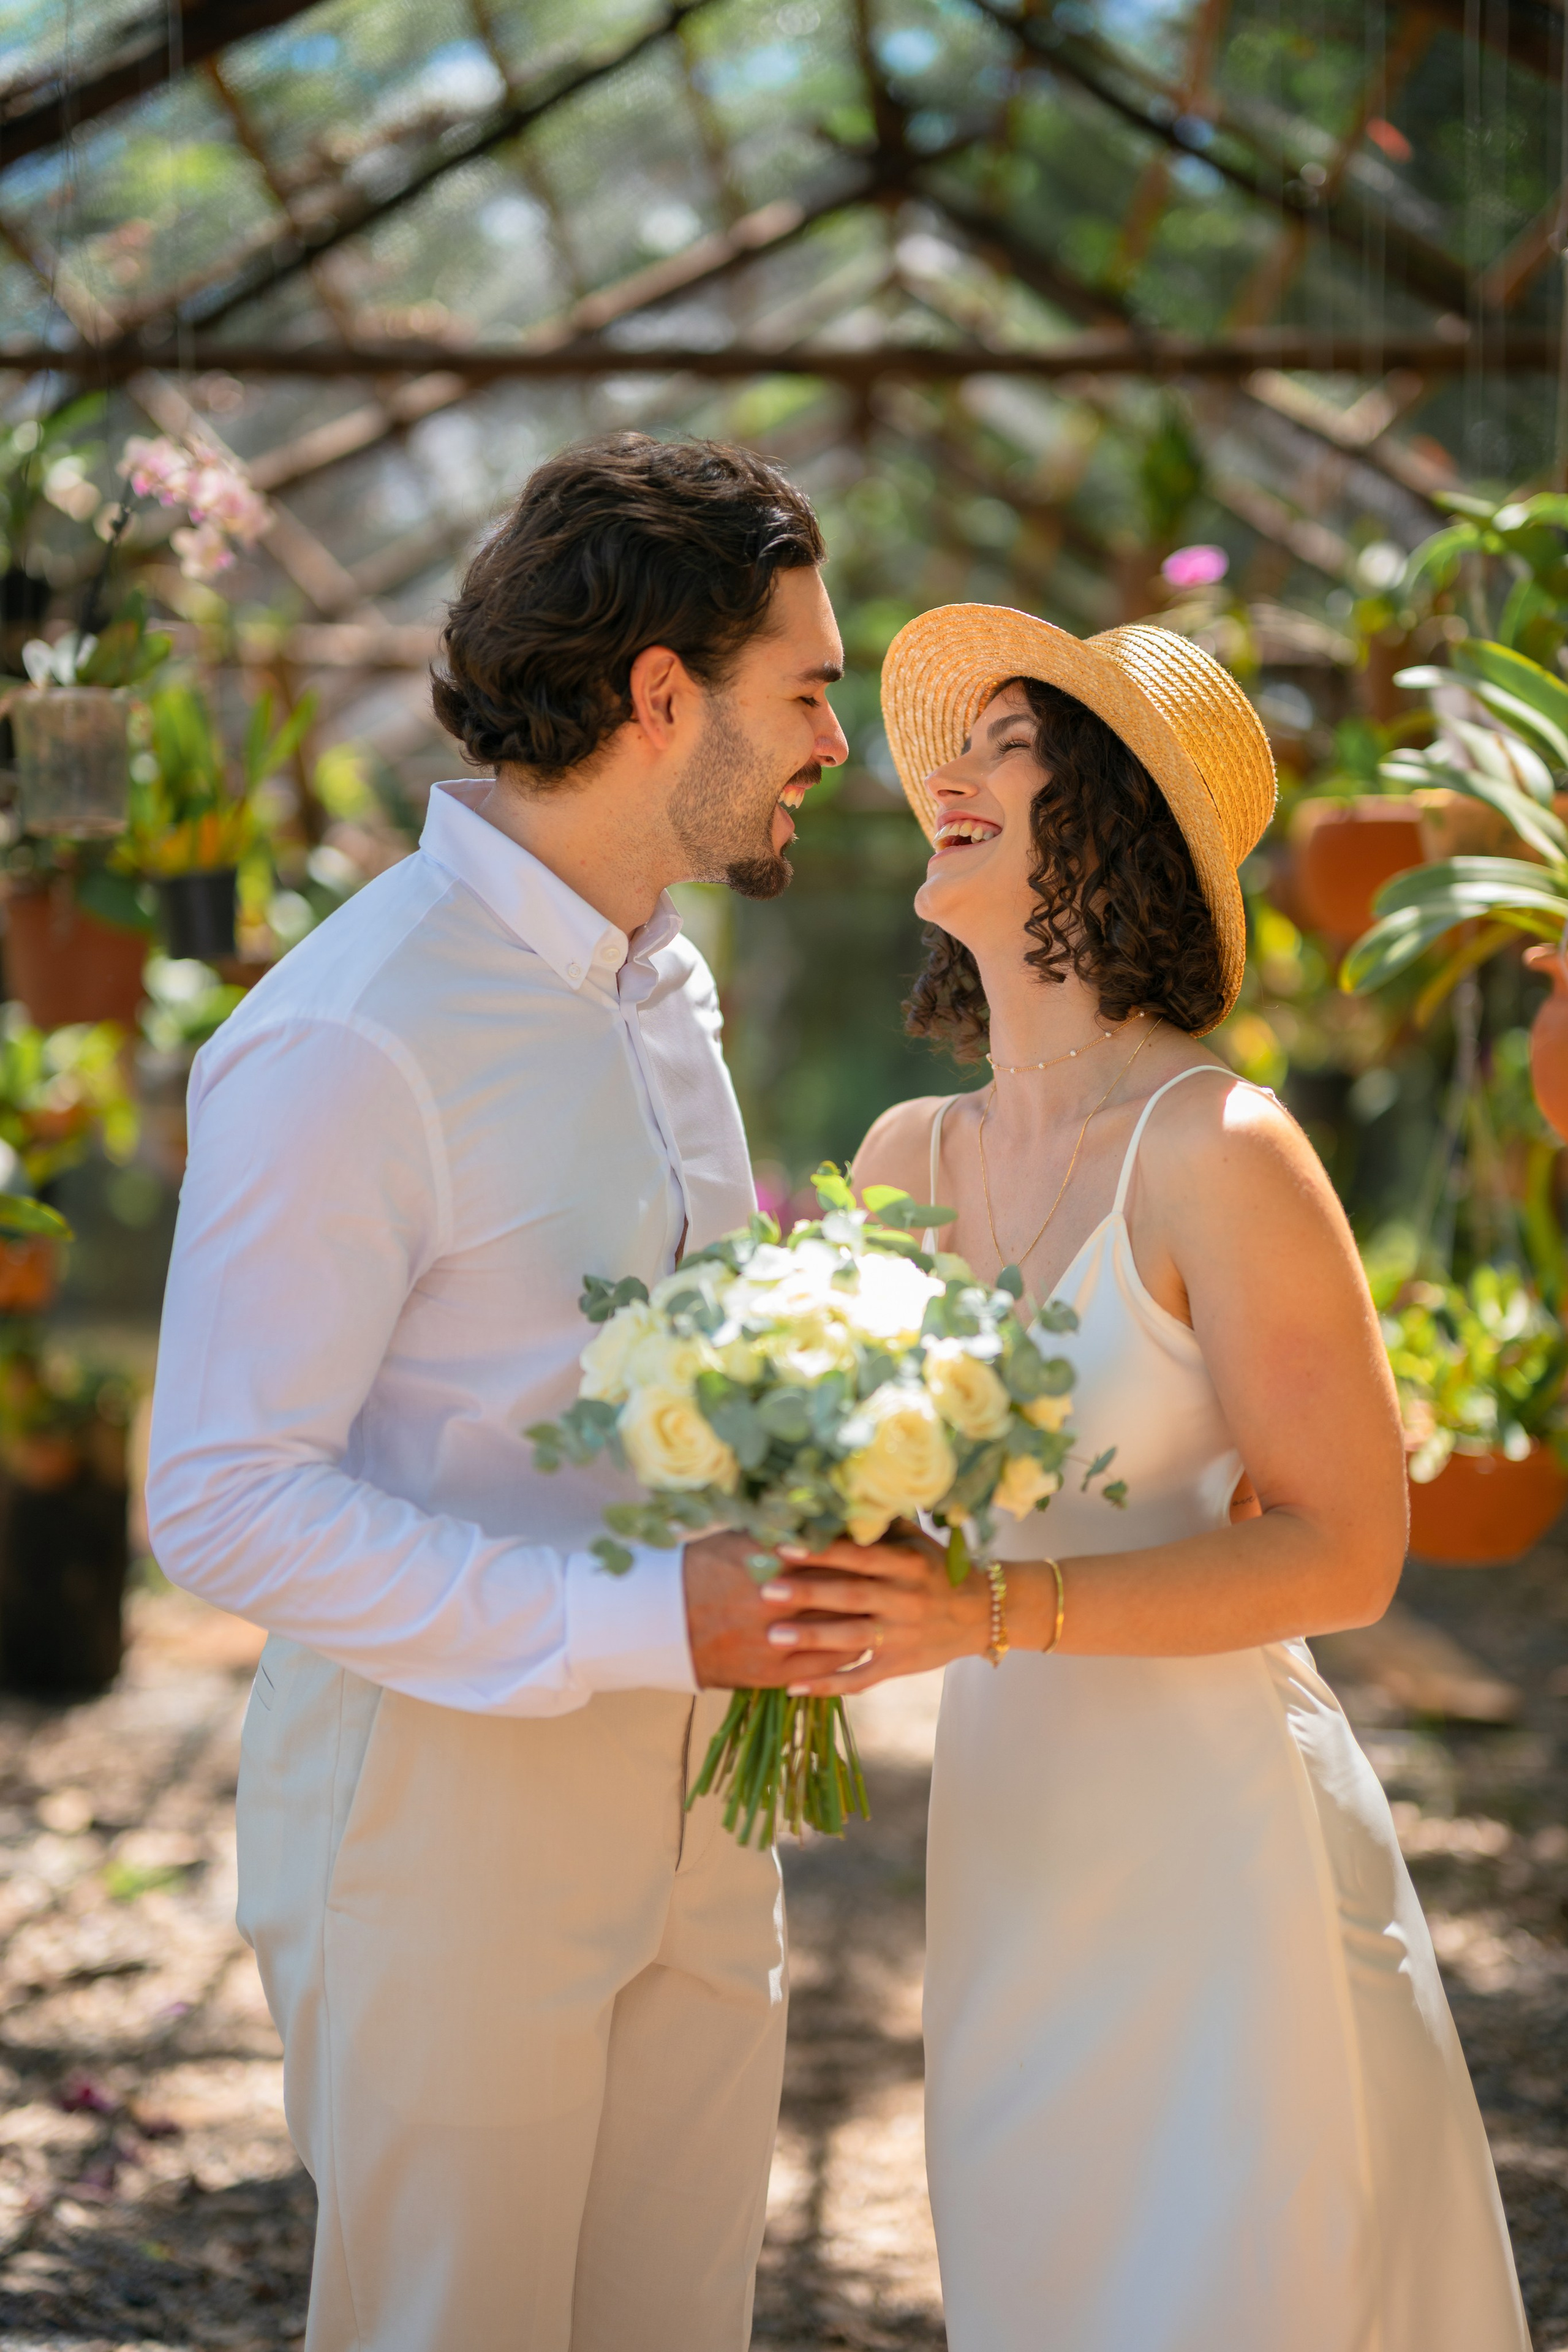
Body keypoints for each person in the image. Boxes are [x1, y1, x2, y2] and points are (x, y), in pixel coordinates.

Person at [143, 433, 868, 2352]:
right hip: (443, 1820)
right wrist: (645, 1615)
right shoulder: (348, 1034)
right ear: (660, 697)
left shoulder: (662, 984)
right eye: (809, 690)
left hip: (707, 1800)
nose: (836, 744)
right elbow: (221, 1495)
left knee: (676, 2323)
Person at [764, 606, 1530, 2350]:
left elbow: (1349, 1552)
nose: (938, 776)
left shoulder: (1224, 1148)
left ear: (1109, 824)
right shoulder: (904, 1154)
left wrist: (992, 1610)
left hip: (1218, 1846)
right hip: (1012, 1836)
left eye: (1005, 748)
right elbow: (875, 1496)